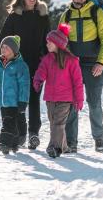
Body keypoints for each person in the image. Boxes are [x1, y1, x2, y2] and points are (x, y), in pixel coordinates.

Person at [59, 0, 103, 153]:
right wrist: (64, 62)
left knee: (94, 102)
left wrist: (100, 62)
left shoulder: (97, 13)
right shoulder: (66, 16)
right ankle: (71, 143)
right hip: (74, 65)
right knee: (73, 103)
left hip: (94, 64)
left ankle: (99, 139)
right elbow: (61, 43)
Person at [0, 0, 50, 149]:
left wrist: (46, 59)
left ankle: (34, 133)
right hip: (17, 65)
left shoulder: (42, 16)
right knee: (18, 100)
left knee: (34, 99)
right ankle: (20, 133)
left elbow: (48, 41)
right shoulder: (14, 17)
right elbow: (3, 39)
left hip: (37, 64)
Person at [33, 24, 84, 158]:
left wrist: (79, 99)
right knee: (53, 124)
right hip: (50, 99)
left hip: (66, 100)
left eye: (49, 42)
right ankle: (64, 147)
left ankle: (54, 148)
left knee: (59, 124)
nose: (47, 44)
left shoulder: (72, 61)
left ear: (57, 43)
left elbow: (78, 82)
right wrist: (38, 80)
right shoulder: (47, 59)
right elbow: (41, 72)